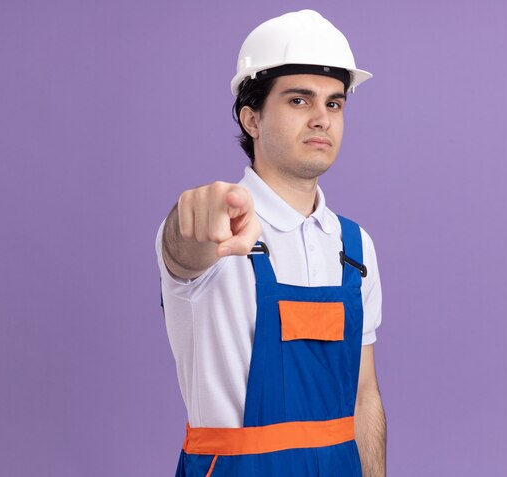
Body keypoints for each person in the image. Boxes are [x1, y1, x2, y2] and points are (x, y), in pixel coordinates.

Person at [156, 9, 386, 476]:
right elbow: (184, 249)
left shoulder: (355, 248)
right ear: (252, 119)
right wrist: (190, 218)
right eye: (299, 101)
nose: (322, 119)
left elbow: (364, 397)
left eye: (334, 103)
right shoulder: (218, 227)